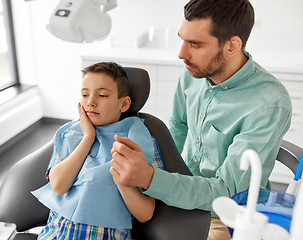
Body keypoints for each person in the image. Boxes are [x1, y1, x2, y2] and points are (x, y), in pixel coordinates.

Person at [109, 0, 292, 239]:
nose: (181, 53)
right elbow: (176, 127)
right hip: (179, 187)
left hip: (226, 213)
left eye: (195, 44)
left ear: (231, 46)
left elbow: (225, 193)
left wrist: (151, 178)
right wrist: (151, 171)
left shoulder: (268, 104)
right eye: (182, 39)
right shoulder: (194, 73)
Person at [31, 62, 163, 240]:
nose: (90, 102)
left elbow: (145, 213)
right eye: (85, 94)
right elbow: (59, 186)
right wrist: (87, 138)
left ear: (124, 104)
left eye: (102, 95)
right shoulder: (69, 134)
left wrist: (122, 180)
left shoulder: (139, 141)